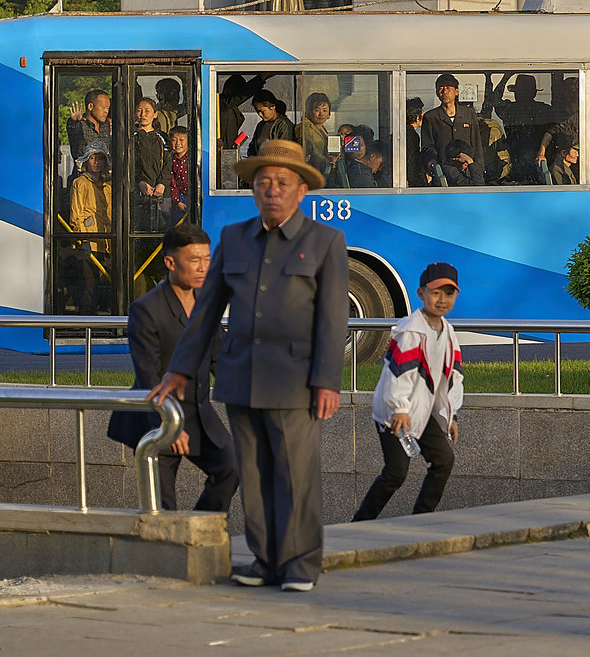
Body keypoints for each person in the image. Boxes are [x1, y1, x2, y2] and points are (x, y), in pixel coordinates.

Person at [151, 138, 349, 592]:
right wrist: (179, 370)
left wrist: (326, 380)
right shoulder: (234, 238)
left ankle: (300, 563)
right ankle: (264, 561)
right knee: (255, 476)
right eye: (263, 183)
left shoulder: (325, 242)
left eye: (282, 182)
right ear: (254, 190)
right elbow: (204, 314)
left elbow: (333, 319)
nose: (272, 190)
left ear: (301, 191)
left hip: (296, 381)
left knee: (295, 474)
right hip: (241, 377)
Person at [109, 225, 238, 513]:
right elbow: (148, 375)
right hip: (157, 417)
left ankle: (201, 527)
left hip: (199, 415)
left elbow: (224, 361)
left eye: (207, 259)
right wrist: (168, 427)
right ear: (170, 262)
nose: (203, 267)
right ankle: (171, 550)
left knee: (232, 467)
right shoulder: (145, 310)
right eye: (194, 260)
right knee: (162, 508)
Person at [353, 262, 464, 521]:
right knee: (396, 473)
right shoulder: (411, 331)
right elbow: (398, 374)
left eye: (449, 293)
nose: (442, 300)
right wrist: (400, 409)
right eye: (435, 292)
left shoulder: (447, 332)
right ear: (420, 293)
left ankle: (422, 517)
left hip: (423, 413)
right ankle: (360, 523)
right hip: (396, 412)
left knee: (444, 459)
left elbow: (452, 377)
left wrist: (451, 415)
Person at [68, 140, 113, 313]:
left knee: (107, 288)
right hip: (88, 244)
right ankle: (85, 327)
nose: (96, 162)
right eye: (92, 158)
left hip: (106, 243)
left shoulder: (107, 188)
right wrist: (83, 240)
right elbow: (76, 215)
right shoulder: (80, 183)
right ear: (86, 160)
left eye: (100, 158)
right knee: (89, 287)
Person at [421, 73, 484, 186]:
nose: (444, 91)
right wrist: (432, 163)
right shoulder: (431, 117)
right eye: (441, 88)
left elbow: (476, 143)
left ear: (456, 91)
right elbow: (427, 146)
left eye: (448, 88)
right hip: (444, 174)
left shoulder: (468, 114)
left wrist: (478, 169)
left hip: (468, 173)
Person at [132, 97, 168, 233]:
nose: (143, 115)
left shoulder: (163, 137)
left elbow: (167, 163)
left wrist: (162, 183)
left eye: (147, 111)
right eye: (139, 111)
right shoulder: (131, 137)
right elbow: (130, 164)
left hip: (161, 193)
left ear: (155, 114)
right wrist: (140, 182)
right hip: (138, 193)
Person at [67, 88, 113, 160]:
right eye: (104, 107)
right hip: (84, 170)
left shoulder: (105, 126)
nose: (106, 111)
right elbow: (73, 130)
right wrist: (74, 121)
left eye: (108, 108)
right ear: (90, 106)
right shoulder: (81, 125)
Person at [248, 90, 295, 157]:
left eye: (262, 111)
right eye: (257, 111)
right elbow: (252, 147)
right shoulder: (260, 125)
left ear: (272, 107)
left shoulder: (284, 125)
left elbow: (284, 151)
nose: (260, 114)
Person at [298, 92, 333, 176]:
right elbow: (312, 150)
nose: (321, 114)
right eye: (317, 110)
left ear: (328, 114)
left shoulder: (321, 128)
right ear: (309, 111)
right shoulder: (305, 128)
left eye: (324, 110)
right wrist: (326, 160)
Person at [167, 126, 194, 224]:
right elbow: (172, 183)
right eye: (174, 140)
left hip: (193, 196)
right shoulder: (170, 160)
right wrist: (177, 201)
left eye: (182, 140)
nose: (178, 143)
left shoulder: (193, 158)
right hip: (179, 197)